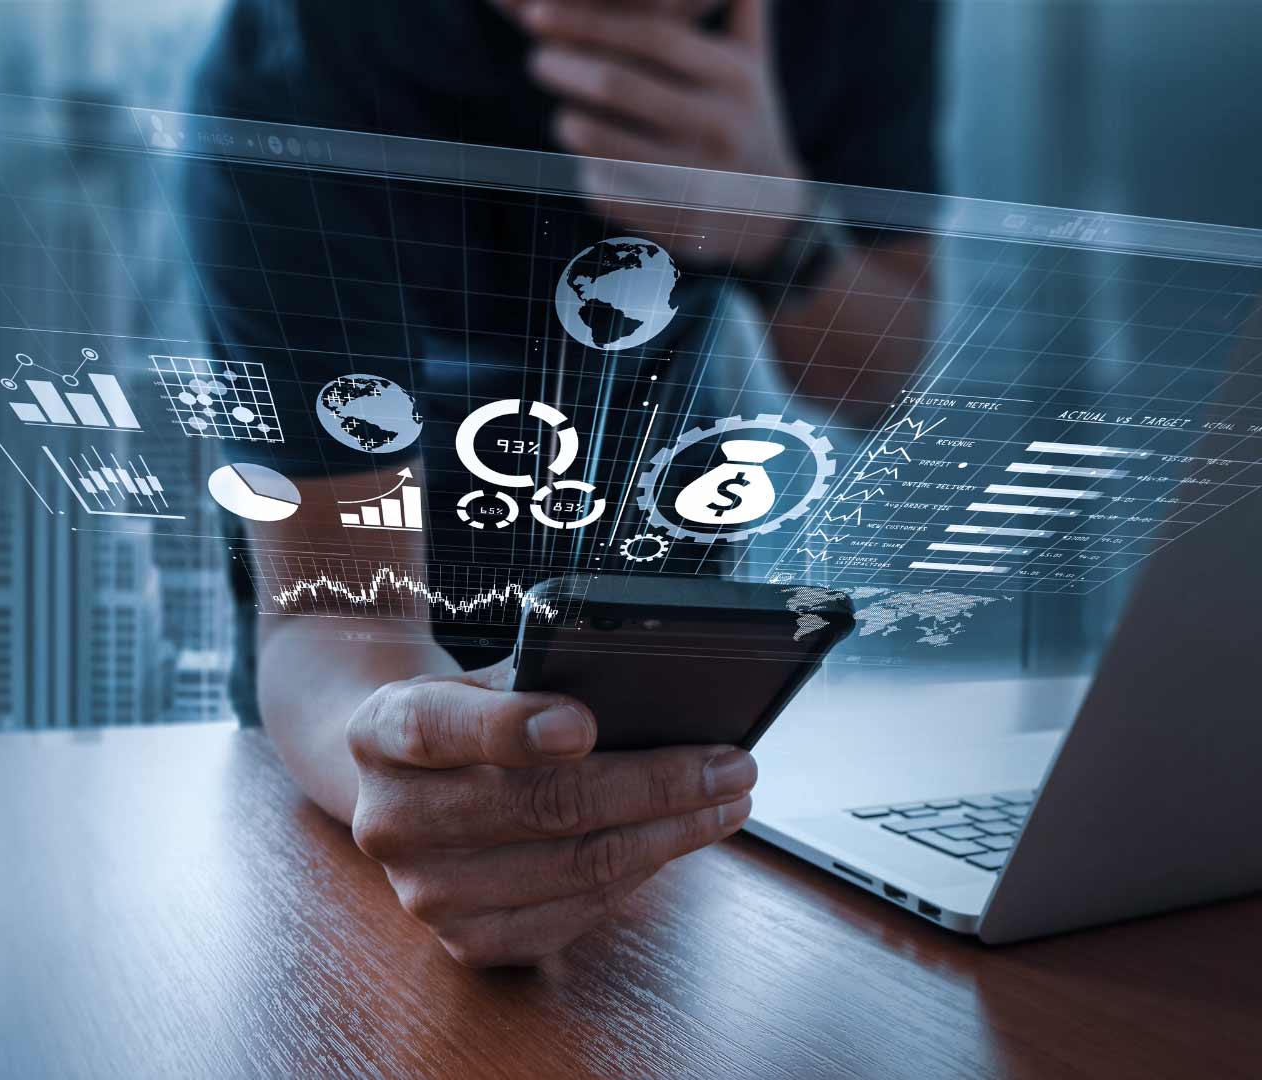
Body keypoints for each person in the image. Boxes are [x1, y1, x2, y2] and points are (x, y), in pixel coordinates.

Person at [184, 0, 941, 966]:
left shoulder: (853, 25)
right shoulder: (297, 67)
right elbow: (334, 618)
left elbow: (883, 370)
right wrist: (402, 761)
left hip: (670, 683)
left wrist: (779, 227)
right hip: (356, 733)